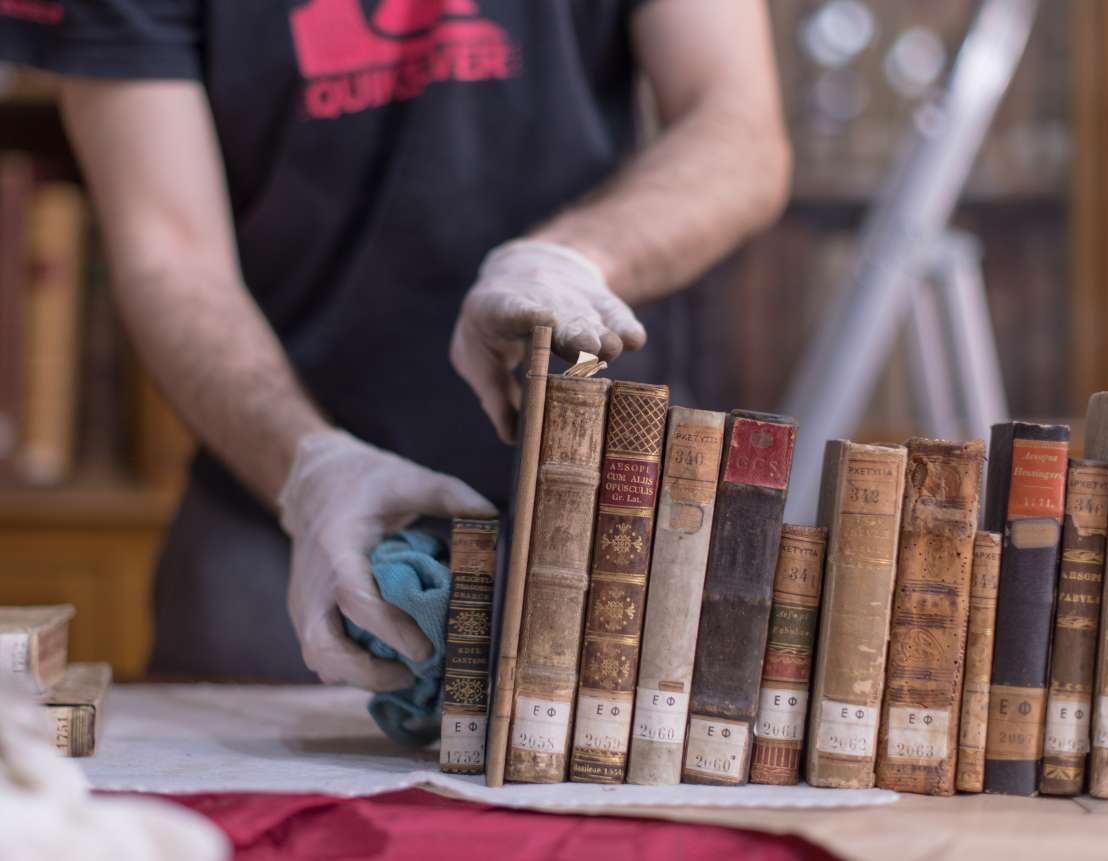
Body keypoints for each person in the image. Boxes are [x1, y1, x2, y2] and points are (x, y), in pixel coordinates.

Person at [0, 0, 790, 690]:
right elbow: (167, 251)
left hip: (611, 512)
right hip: (282, 518)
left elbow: (738, 133)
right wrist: (310, 471)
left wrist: (566, 260)